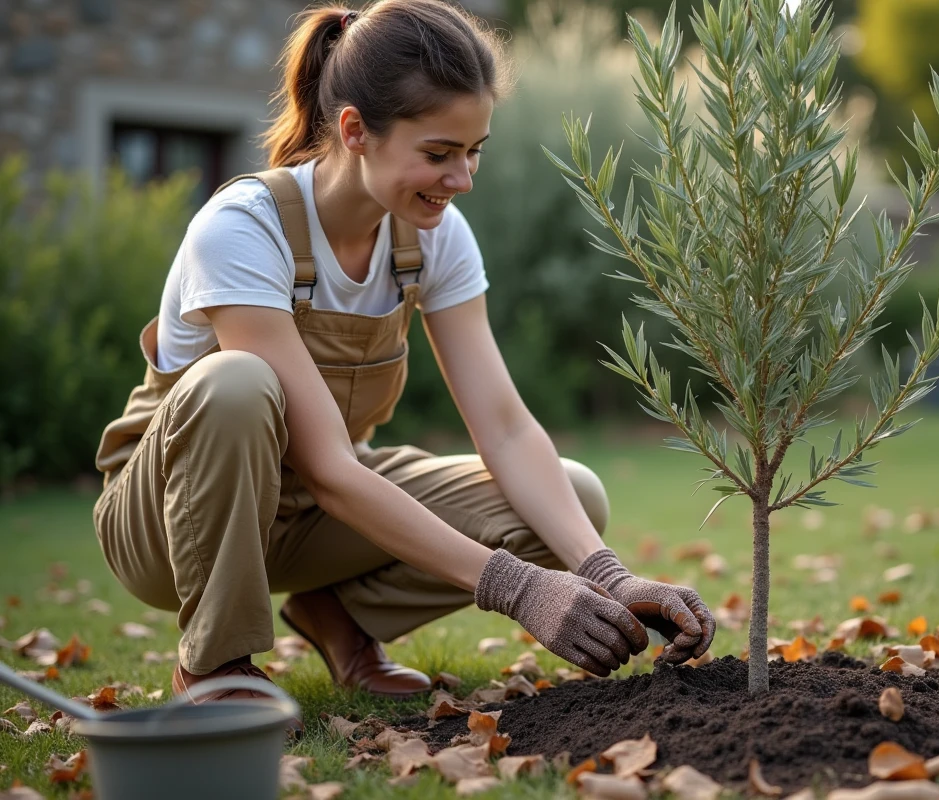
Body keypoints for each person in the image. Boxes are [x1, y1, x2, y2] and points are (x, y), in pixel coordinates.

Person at [91, 0, 715, 734]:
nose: (463, 178)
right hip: (167, 525)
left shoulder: (434, 237)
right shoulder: (242, 230)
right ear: (355, 130)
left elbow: (507, 431)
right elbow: (326, 463)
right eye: (440, 153)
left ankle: (339, 615)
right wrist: (518, 590)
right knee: (236, 383)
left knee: (573, 495)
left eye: (475, 150)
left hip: (311, 517)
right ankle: (215, 665)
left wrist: (605, 573)